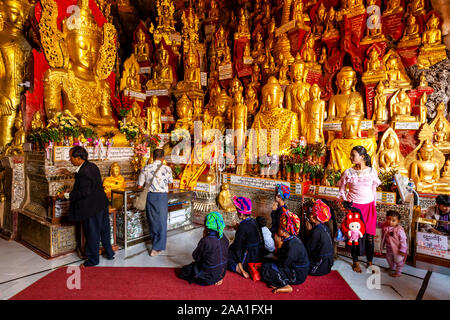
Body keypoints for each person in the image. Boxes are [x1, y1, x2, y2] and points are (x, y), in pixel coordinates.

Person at [60, 146, 114, 267]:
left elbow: (84, 192)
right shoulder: (91, 166)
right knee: (104, 230)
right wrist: (71, 173)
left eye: (71, 157)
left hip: (91, 207)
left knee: (92, 233)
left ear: (78, 158)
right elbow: (86, 178)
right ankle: (109, 253)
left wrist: (67, 195)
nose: (70, 160)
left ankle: (93, 260)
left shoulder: (84, 172)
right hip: (101, 203)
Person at [337, 145, 381, 273]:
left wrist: (374, 204)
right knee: (353, 236)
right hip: (354, 208)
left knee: (370, 236)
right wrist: (346, 202)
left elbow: (374, 189)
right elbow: (342, 189)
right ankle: (355, 261)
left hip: (369, 206)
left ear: (362, 157)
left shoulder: (372, 171)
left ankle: (370, 262)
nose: (350, 158)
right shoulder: (348, 172)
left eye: (353, 155)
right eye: (350, 155)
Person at [260, 209, 310, 293]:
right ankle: (276, 281)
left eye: (280, 227)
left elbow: (282, 264)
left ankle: (285, 285)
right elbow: (280, 257)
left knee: (266, 269)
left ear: (284, 232)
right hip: (291, 268)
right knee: (266, 262)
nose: (277, 229)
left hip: (297, 275)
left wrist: (278, 245)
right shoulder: (290, 239)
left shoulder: (293, 246)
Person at [137, 149, 173, 256]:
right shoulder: (167, 169)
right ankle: (157, 247)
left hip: (150, 196)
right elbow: (171, 185)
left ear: (152, 157)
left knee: (152, 220)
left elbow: (139, 185)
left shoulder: (146, 168)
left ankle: (155, 243)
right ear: (163, 158)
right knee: (161, 221)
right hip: (162, 197)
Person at [179, 212, 229, 286]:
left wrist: (204, 237)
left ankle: (208, 281)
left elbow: (195, 256)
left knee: (183, 271)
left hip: (208, 276)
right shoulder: (224, 237)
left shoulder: (206, 240)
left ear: (206, 226)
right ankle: (217, 278)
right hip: (221, 273)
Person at [227, 196, 265, 279]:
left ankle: (239, 268)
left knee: (225, 256)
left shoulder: (242, 227)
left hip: (250, 257)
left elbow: (237, 246)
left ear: (240, 214)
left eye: (237, 211)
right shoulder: (254, 221)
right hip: (259, 254)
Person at [305, 199, 334, 276]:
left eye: (311, 213)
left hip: (320, 267)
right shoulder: (325, 227)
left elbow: (309, 249)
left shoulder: (316, 232)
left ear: (314, 218)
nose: (309, 215)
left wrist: (309, 232)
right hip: (328, 264)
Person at [381, 210, 408, 277]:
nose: (390, 222)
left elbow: (403, 240)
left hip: (398, 249)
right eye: (388, 219)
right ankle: (392, 267)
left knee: (398, 261)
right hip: (389, 248)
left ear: (398, 221)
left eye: (393, 221)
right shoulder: (385, 226)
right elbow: (379, 224)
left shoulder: (399, 230)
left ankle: (398, 272)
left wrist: (403, 250)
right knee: (389, 258)